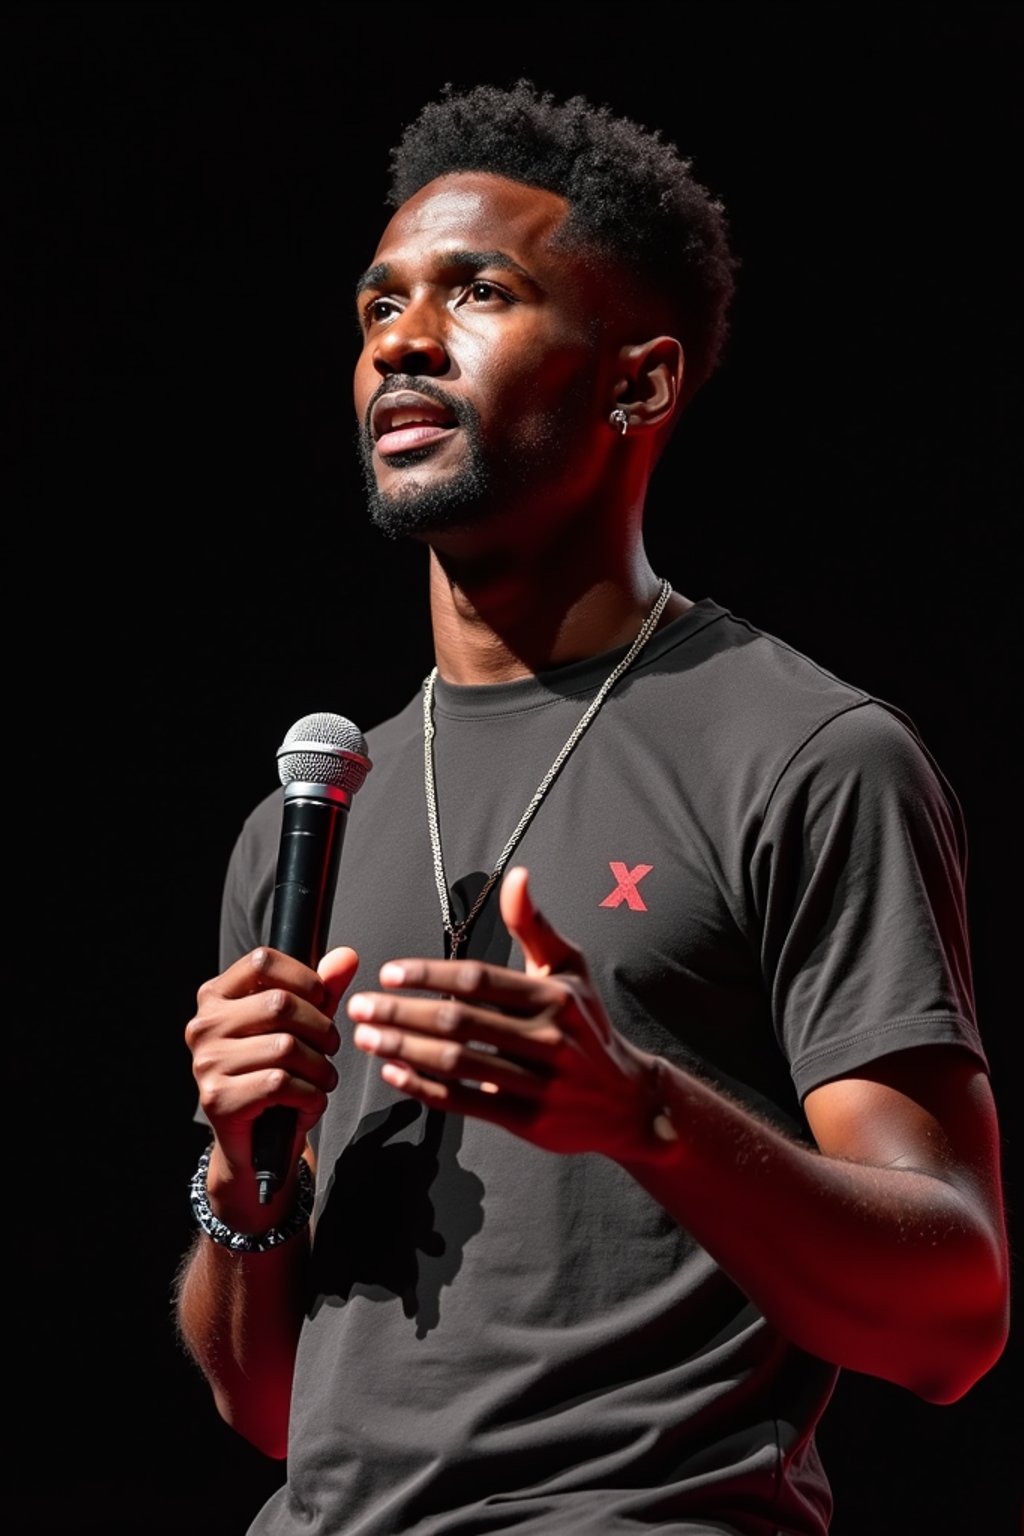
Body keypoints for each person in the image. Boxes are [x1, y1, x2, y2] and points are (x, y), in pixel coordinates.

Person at [173, 79, 1009, 1536]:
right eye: (378, 309)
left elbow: (953, 1316)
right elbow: (274, 1411)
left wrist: (642, 1114)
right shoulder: (312, 814)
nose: (402, 345)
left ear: (641, 384)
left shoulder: (807, 753)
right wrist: (243, 1174)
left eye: (478, 293)